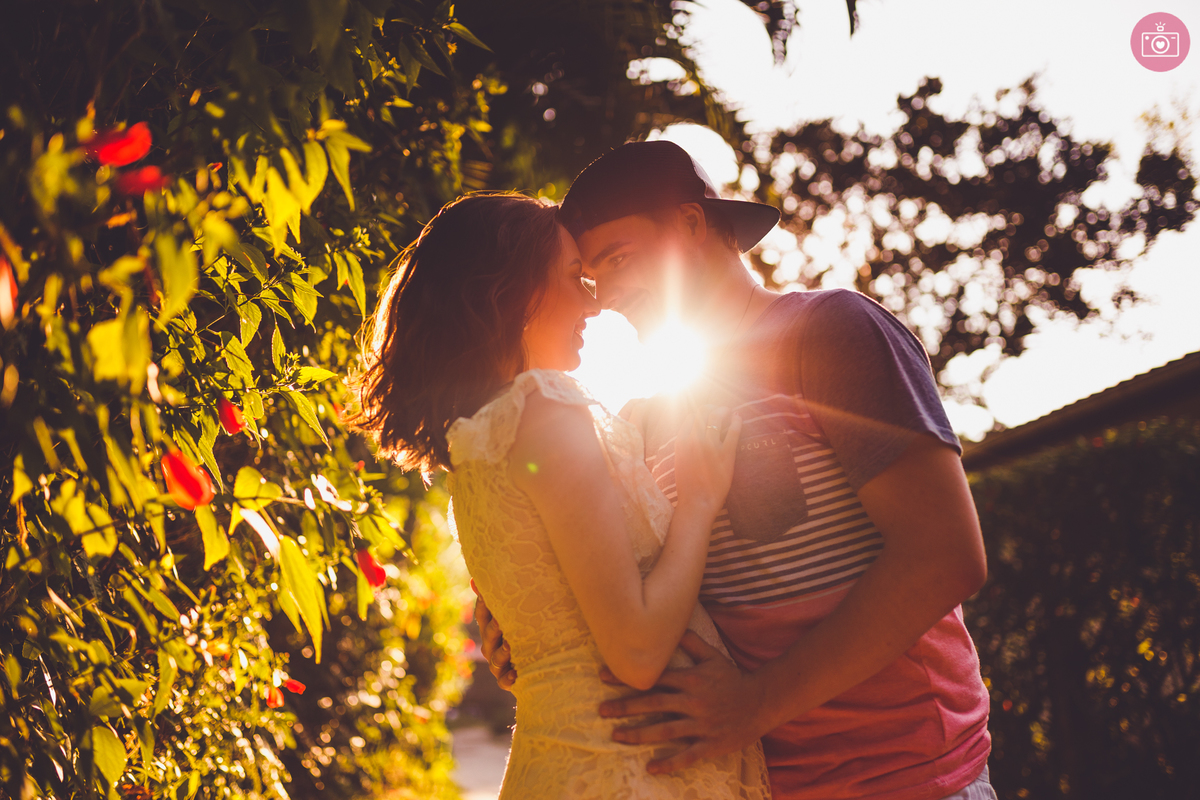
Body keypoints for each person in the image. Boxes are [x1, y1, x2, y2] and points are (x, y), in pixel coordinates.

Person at [476, 140, 998, 800]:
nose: (604, 297)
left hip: (909, 776)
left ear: (692, 225)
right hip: (758, 783)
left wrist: (754, 704)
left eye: (617, 259)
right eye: (590, 276)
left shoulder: (830, 331)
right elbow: (641, 599)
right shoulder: (639, 421)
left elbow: (943, 555)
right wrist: (535, 628)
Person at [347, 192, 771, 799]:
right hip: (630, 774)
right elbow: (637, 652)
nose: (594, 304)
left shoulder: (475, 444)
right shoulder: (544, 410)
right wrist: (699, 504)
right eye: (576, 278)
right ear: (511, 291)